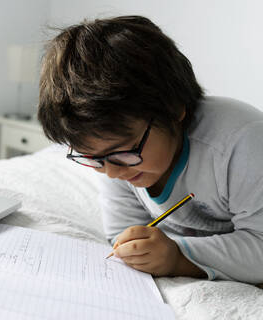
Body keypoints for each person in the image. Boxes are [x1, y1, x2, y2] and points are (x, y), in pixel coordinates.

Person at [37, 16, 263, 285]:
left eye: (122, 152)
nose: (110, 172)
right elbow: (123, 234)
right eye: (92, 158)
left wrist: (178, 258)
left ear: (173, 109)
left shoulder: (241, 141)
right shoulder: (112, 159)